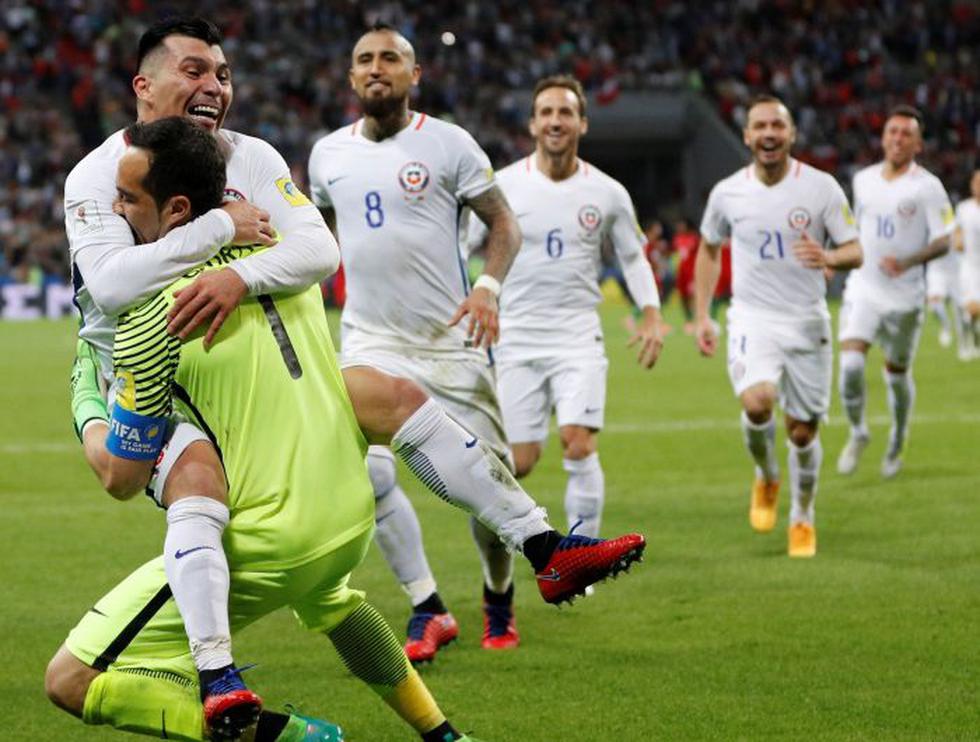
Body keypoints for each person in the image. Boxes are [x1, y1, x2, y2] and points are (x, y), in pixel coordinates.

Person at [48, 115, 484, 742]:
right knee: (334, 601)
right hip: (343, 518)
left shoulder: (151, 315)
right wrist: (227, 225)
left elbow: (121, 475)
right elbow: (319, 251)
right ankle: (444, 736)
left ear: (172, 205)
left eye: (127, 198)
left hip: (265, 538)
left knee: (70, 679)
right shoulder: (277, 250)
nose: (115, 207)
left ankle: (286, 730)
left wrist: (89, 408)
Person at [308, 26, 646, 662]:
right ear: (351, 78)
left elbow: (504, 223)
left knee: (495, 477)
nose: (377, 68)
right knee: (373, 478)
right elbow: (323, 236)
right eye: (364, 60)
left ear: (415, 75)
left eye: (391, 58)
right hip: (368, 340)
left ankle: (498, 592)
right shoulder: (327, 156)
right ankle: (428, 606)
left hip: (450, 340)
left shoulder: (448, 143)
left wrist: (488, 286)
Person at [466, 75, 663, 545]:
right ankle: (510, 550)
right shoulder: (503, 187)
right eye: (547, 113)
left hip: (578, 336)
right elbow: (464, 244)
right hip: (515, 340)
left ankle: (583, 555)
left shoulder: (608, 192)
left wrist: (652, 312)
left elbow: (633, 256)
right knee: (521, 462)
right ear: (533, 125)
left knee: (578, 442)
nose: (556, 121)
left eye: (566, 113)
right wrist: (472, 293)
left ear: (582, 123)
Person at [694, 95, 862, 558]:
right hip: (752, 316)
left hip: (806, 319)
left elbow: (855, 249)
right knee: (757, 400)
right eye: (760, 126)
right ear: (747, 136)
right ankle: (767, 475)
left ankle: (802, 515)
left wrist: (828, 256)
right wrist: (703, 314)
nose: (769, 134)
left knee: (803, 433)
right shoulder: (728, 193)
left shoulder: (822, 188)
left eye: (778, 126)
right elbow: (708, 249)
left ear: (791, 134)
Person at [835, 106, 954, 479]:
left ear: (917, 144)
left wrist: (908, 260)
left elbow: (945, 239)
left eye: (906, 134)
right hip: (864, 287)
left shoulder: (928, 187)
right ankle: (858, 432)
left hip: (905, 297)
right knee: (851, 366)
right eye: (892, 132)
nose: (898, 139)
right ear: (883, 137)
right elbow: (854, 228)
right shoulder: (863, 180)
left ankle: (898, 437)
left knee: (896, 375)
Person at [953, 169, 980, 360]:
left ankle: (975, 339)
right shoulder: (964, 208)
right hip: (969, 266)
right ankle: (965, 343)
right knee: (971, 308)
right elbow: (957, 231)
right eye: (976, 182)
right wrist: (958, 240)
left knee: (974, 312)